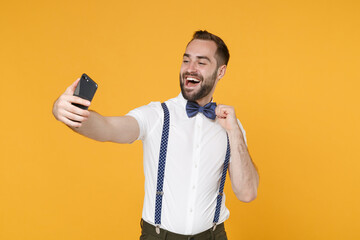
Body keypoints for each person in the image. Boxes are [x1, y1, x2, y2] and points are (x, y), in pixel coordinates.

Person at [52, 30, 259, 240]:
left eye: (201, 62)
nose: (190, 69)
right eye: (186, 60)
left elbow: (247, 193)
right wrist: (69, 114)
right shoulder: (157, 115)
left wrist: (235, 133)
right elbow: (108, 128)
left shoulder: (231, 126)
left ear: (220, 71)